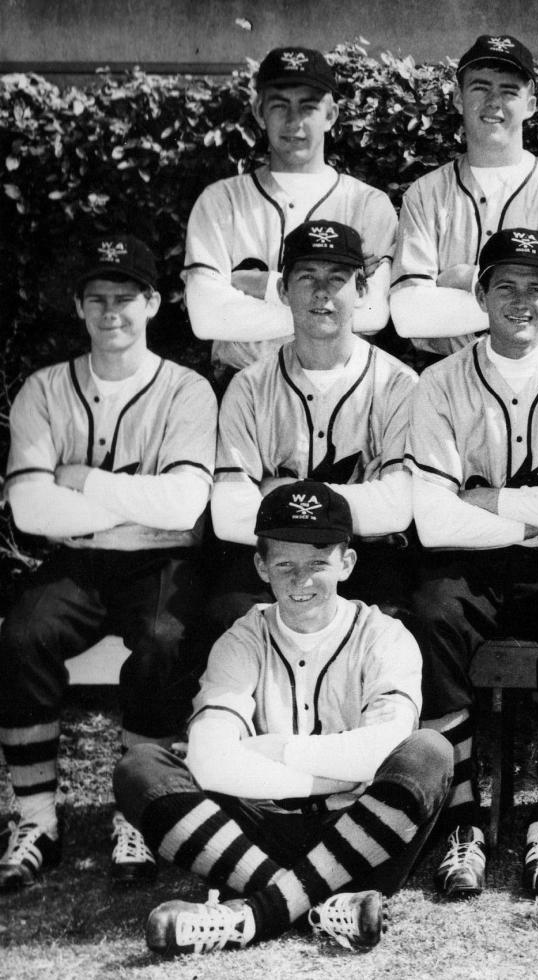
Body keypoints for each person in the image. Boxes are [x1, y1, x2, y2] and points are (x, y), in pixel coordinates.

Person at [115, 482, 450, 955]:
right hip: (256, 833)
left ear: (347, 564)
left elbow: (387, 749)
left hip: (360, 833)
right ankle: (324, 906)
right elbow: (210, 762)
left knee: (429, 752)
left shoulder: (386, 636)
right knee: (141, 768)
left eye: (318, 563)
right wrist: (328, 775)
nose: (301, 581)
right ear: (260, 566)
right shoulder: (241, 639)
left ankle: (256, 913)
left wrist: (279, 751)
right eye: (285, 564)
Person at [0, 235, 216, 891]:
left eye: (126, 297)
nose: (111, 311)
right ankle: (36, 820)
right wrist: (130, 507)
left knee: (165, 638)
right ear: (78, 305)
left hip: (165, 562)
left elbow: (182, 506)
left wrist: (84, 483)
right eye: (97, 298)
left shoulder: (186, 390)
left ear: (153, 302)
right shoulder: (44, 388)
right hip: (81, 563)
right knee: (22, 636)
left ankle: (137, 811)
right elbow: (30, 508)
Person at [406, 228, 538, 898]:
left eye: (535, 287)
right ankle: (463, 817)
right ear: (480, 294)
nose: (520, 299)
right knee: (432, 614)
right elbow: (433, 518)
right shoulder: (438, 381)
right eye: (505, 285)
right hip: (470, 565)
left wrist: (491, 501)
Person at [208, 220, 417, 634]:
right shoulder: (250, 387)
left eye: (337, 278)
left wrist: (276, 495)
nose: (322, 292)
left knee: (400, 623)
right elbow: (229, 516)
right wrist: (359, 500)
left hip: (366, 561)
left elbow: (397, 509)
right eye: (306, 277)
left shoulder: (400, 385)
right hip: (272, 561)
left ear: (361, 290)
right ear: (283, 291)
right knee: (223, 616)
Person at [184, 46, 395, 379]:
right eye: (280, 105)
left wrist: (263, 286)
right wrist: (326, 312)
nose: (294, 121)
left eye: (308, 107)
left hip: (342, 386)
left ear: (330, 115)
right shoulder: (220, 202)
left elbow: (373, 313)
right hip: (241, 384)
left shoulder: (368, 204)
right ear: (259, 111)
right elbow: (206, 316)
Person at [391, 34, 538, 364]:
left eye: (509, 91)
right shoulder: (425, 193)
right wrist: (525, 298)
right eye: (480, 87)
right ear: (458, 97)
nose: (494, 101)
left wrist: (464, 279)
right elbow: (408, 315)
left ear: (530, 104)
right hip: (448, 379)